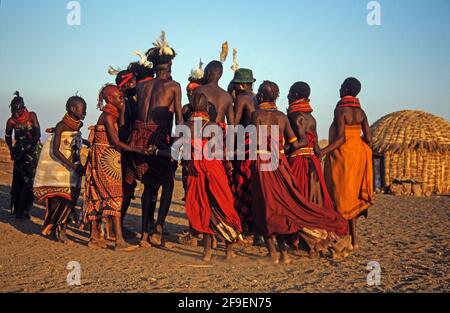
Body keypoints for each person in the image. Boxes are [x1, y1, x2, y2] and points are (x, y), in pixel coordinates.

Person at [251, 81, 352, 264]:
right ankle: (292, 250)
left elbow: (258, 142)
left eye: (291, 93)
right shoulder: (291, 117)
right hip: (291, 162)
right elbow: (299, 141)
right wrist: (282, 150)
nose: (289, 96)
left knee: (268, 205)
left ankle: (277, 253)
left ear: (259, 96)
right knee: (290, 204)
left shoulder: (264, 114)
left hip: (277, 162)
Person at [149, 93, 243, 261]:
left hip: (195, 171)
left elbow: (173, 153)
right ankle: (229, 251)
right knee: (223, 204)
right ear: (207, 108)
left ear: (191, 108)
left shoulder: (185, 127)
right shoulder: (213, 126)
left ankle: (207, 253)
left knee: (202, 207)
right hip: (214, 169)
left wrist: (155, 151)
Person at [127, 31, 182, 247]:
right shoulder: (173, 86)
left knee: (149, 187)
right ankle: (158, 228)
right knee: (167, 184)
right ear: (169, 68)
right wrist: (176, 148)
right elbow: (178, 119)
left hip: (137, 138)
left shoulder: (141, 86)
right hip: (158, 138)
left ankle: (144, 235)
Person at [83, 84, 148, 251]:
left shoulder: (111, 114)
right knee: (114, 196)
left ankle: (94, 238)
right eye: (119, 97)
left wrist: (124, 107)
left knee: (97, 195)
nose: (122, 99)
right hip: (106, 159)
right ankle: (119, 241)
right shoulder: (108, 117)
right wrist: (138, 150)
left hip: (105, 158)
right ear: (110, 99)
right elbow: (116, 141)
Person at [322, 77, 375, 250]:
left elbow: (341, 138)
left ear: (345, 90)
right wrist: (357, 143)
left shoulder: (340, 110)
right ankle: (354, 241)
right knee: (352, 198)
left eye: (341, 86)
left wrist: (323, 152)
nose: (339, 89)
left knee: (339, 196)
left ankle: (341, 238)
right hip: (358, 156)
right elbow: (368, 138)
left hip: (343, 157)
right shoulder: (361, 112)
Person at [34, 96, 87, 243]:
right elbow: (57, 151)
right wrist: (73, 166)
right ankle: (56, 230)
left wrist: (85, 142)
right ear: (72, 109)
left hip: (71, 167)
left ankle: (57, 229)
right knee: (58, 200)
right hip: (58, 166)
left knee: (69, 199)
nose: (85, 112)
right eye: (83, 109)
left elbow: (72, 140)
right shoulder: (61, 125)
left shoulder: (77, 125)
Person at [287, 82, 333, 210]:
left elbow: (302, 141)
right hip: (313, 163)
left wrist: (283, 151)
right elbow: (316, 148)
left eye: (289, 92)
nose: (287, 95)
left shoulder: (294, 116)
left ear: (295, 95)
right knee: (315, 198)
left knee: (296, 199)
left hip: (297, 162)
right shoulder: (312, 118)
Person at [229, 68, 259, 241]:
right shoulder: (256, 98)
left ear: (241, 84)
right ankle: (255, 230)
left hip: (244, 144)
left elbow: (234, 125)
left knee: (241, 185)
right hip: (258, 144)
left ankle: (242, 228)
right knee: (253, 186)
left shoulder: (242, 98)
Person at [5, 91, 41, 219]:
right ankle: (17, 210)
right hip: (19, 153)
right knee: (18, 181)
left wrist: (30, 146)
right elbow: (8, 136)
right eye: (14, 111)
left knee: (30, 182)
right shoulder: (11, 121)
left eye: (18, 110)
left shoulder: (31, 116)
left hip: (32, 152)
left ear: (23, 108)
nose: (15, 113)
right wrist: (11, 151)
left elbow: (37, 133)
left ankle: (25, 209)